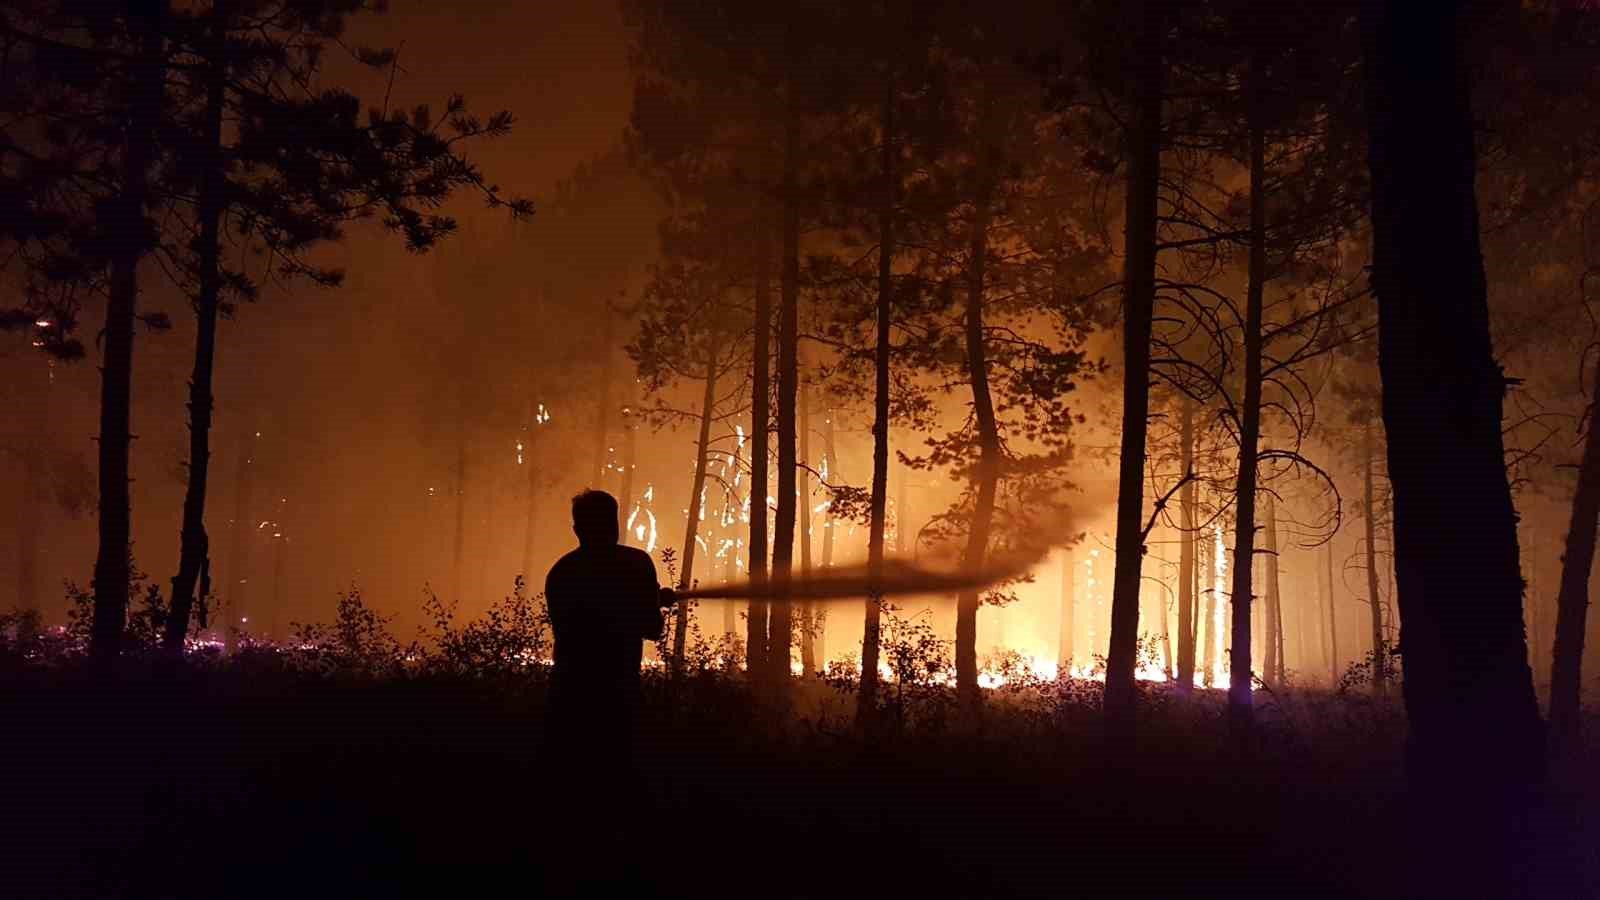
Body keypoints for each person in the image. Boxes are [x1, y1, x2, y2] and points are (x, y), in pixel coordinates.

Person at [538, 489, 671, 888]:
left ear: (577, 528)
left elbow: (570, 629)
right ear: (615, 522)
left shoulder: (561, 572)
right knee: (622, 788)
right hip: (619, 697)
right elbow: (651, 628)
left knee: (572, 795)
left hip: (570, 697)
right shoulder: (636, 564)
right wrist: (652, 603)